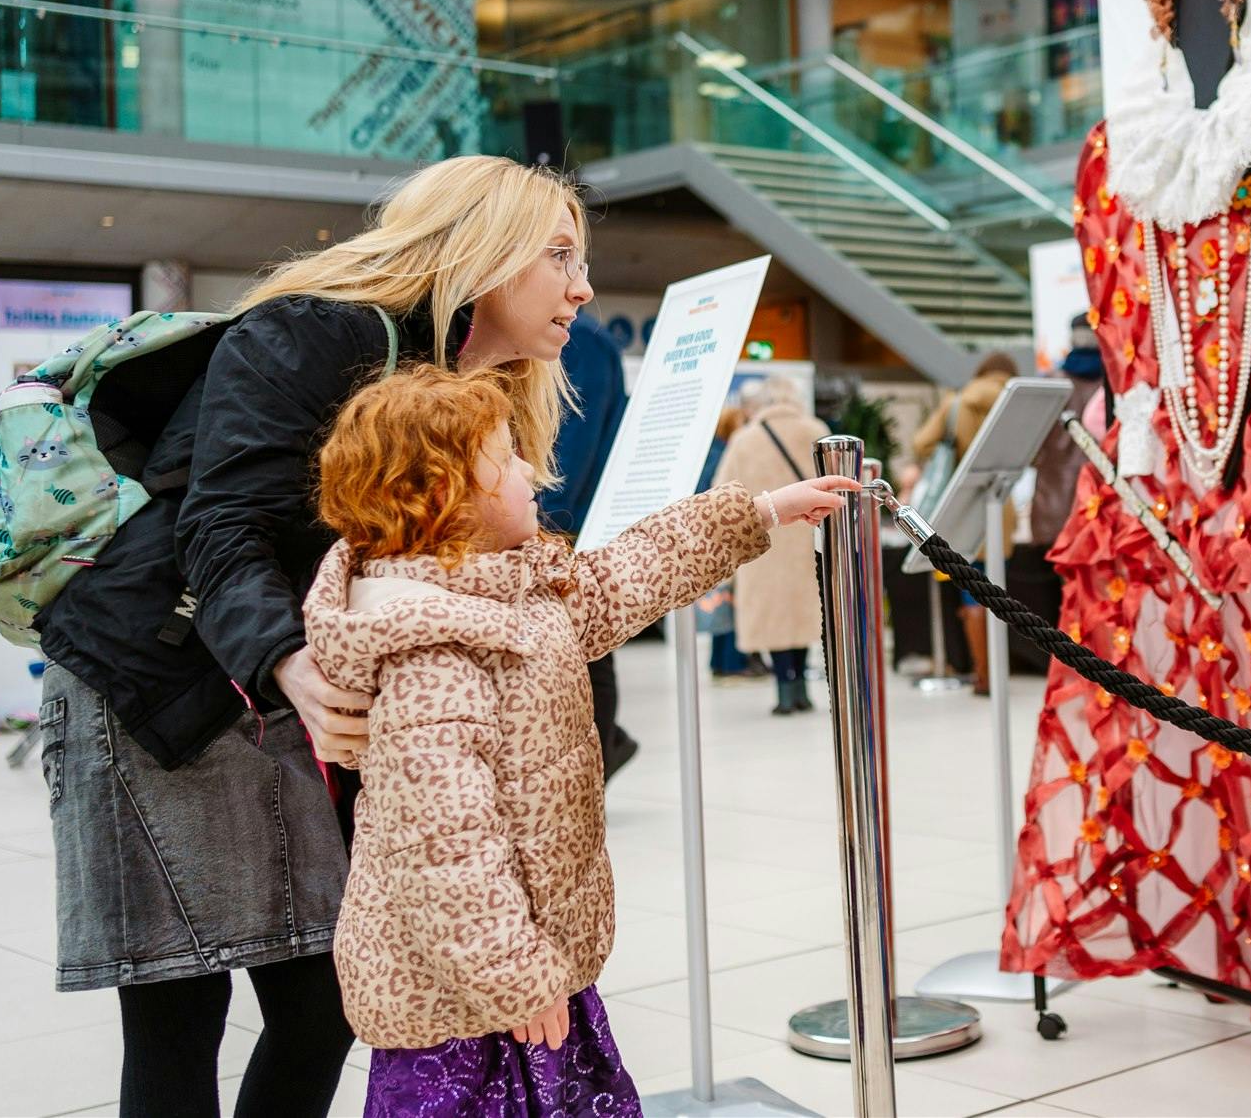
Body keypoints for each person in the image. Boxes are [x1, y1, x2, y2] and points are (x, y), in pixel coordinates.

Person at [31, 155, 596, 1117]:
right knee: (182, 1009)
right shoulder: (316, 332)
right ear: (485, 249)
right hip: (157, 683)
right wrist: (289, 662)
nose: (581, 287)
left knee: (324, 1000)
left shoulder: (462, 387)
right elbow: (222, 525)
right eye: (559, 255)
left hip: (269, 687)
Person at [304, 365, 854, 1115]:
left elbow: (628, 575)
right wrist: (516, 977)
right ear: (443, 496)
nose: (531, 471)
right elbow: (446, 850)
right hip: (468, 1005)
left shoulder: (513, 592)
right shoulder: (429, 654)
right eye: (507, 457)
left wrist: (755, 514)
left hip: (529, 971)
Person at [539, 311, 636, 780]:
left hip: (568, 531)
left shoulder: (579, 342)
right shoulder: (577, 340)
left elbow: (571, 451)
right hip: (560, 527)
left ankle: (600, 759)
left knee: (586, 653)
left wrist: (543, 525)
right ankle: (608, 748)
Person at [710, 375, 833, 715]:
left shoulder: (745, 440)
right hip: (809, 537)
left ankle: (784, 690)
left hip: (763, 538)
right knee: (804, 615)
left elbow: (721, 491)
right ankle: (802, 689)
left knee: (774, 618)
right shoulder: (816, 431)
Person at [911, 352, 1017, 695]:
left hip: (964, 503)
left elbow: (921, 443)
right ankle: (999, 669)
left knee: (971, 591)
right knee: (997, 589)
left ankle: (982, 674)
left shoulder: (958, 402)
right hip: (1000, 504)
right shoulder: (1013, 402)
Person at [1026, 315, 1106, 537]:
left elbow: (1031, 446)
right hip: (1099, 498)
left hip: (1053, 498)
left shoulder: (1051, 382)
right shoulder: (1110, 383)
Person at [697, 404, 755, 682]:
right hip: (725, 531)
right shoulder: (723, 454)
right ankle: (732, 663)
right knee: (731, 600)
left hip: (711, 534)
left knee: (720, 598)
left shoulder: (709, 452)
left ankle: (719, 662)